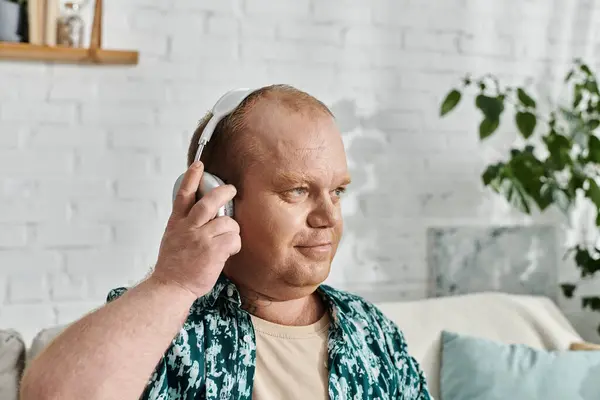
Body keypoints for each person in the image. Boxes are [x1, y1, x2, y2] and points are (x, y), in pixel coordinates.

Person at [20, 84, 432, 399]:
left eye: (337, 190)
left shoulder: (370, 331)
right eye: (297, 191)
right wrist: (173, 283)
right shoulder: (171, 329)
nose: (329, 217)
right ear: (217, 200)